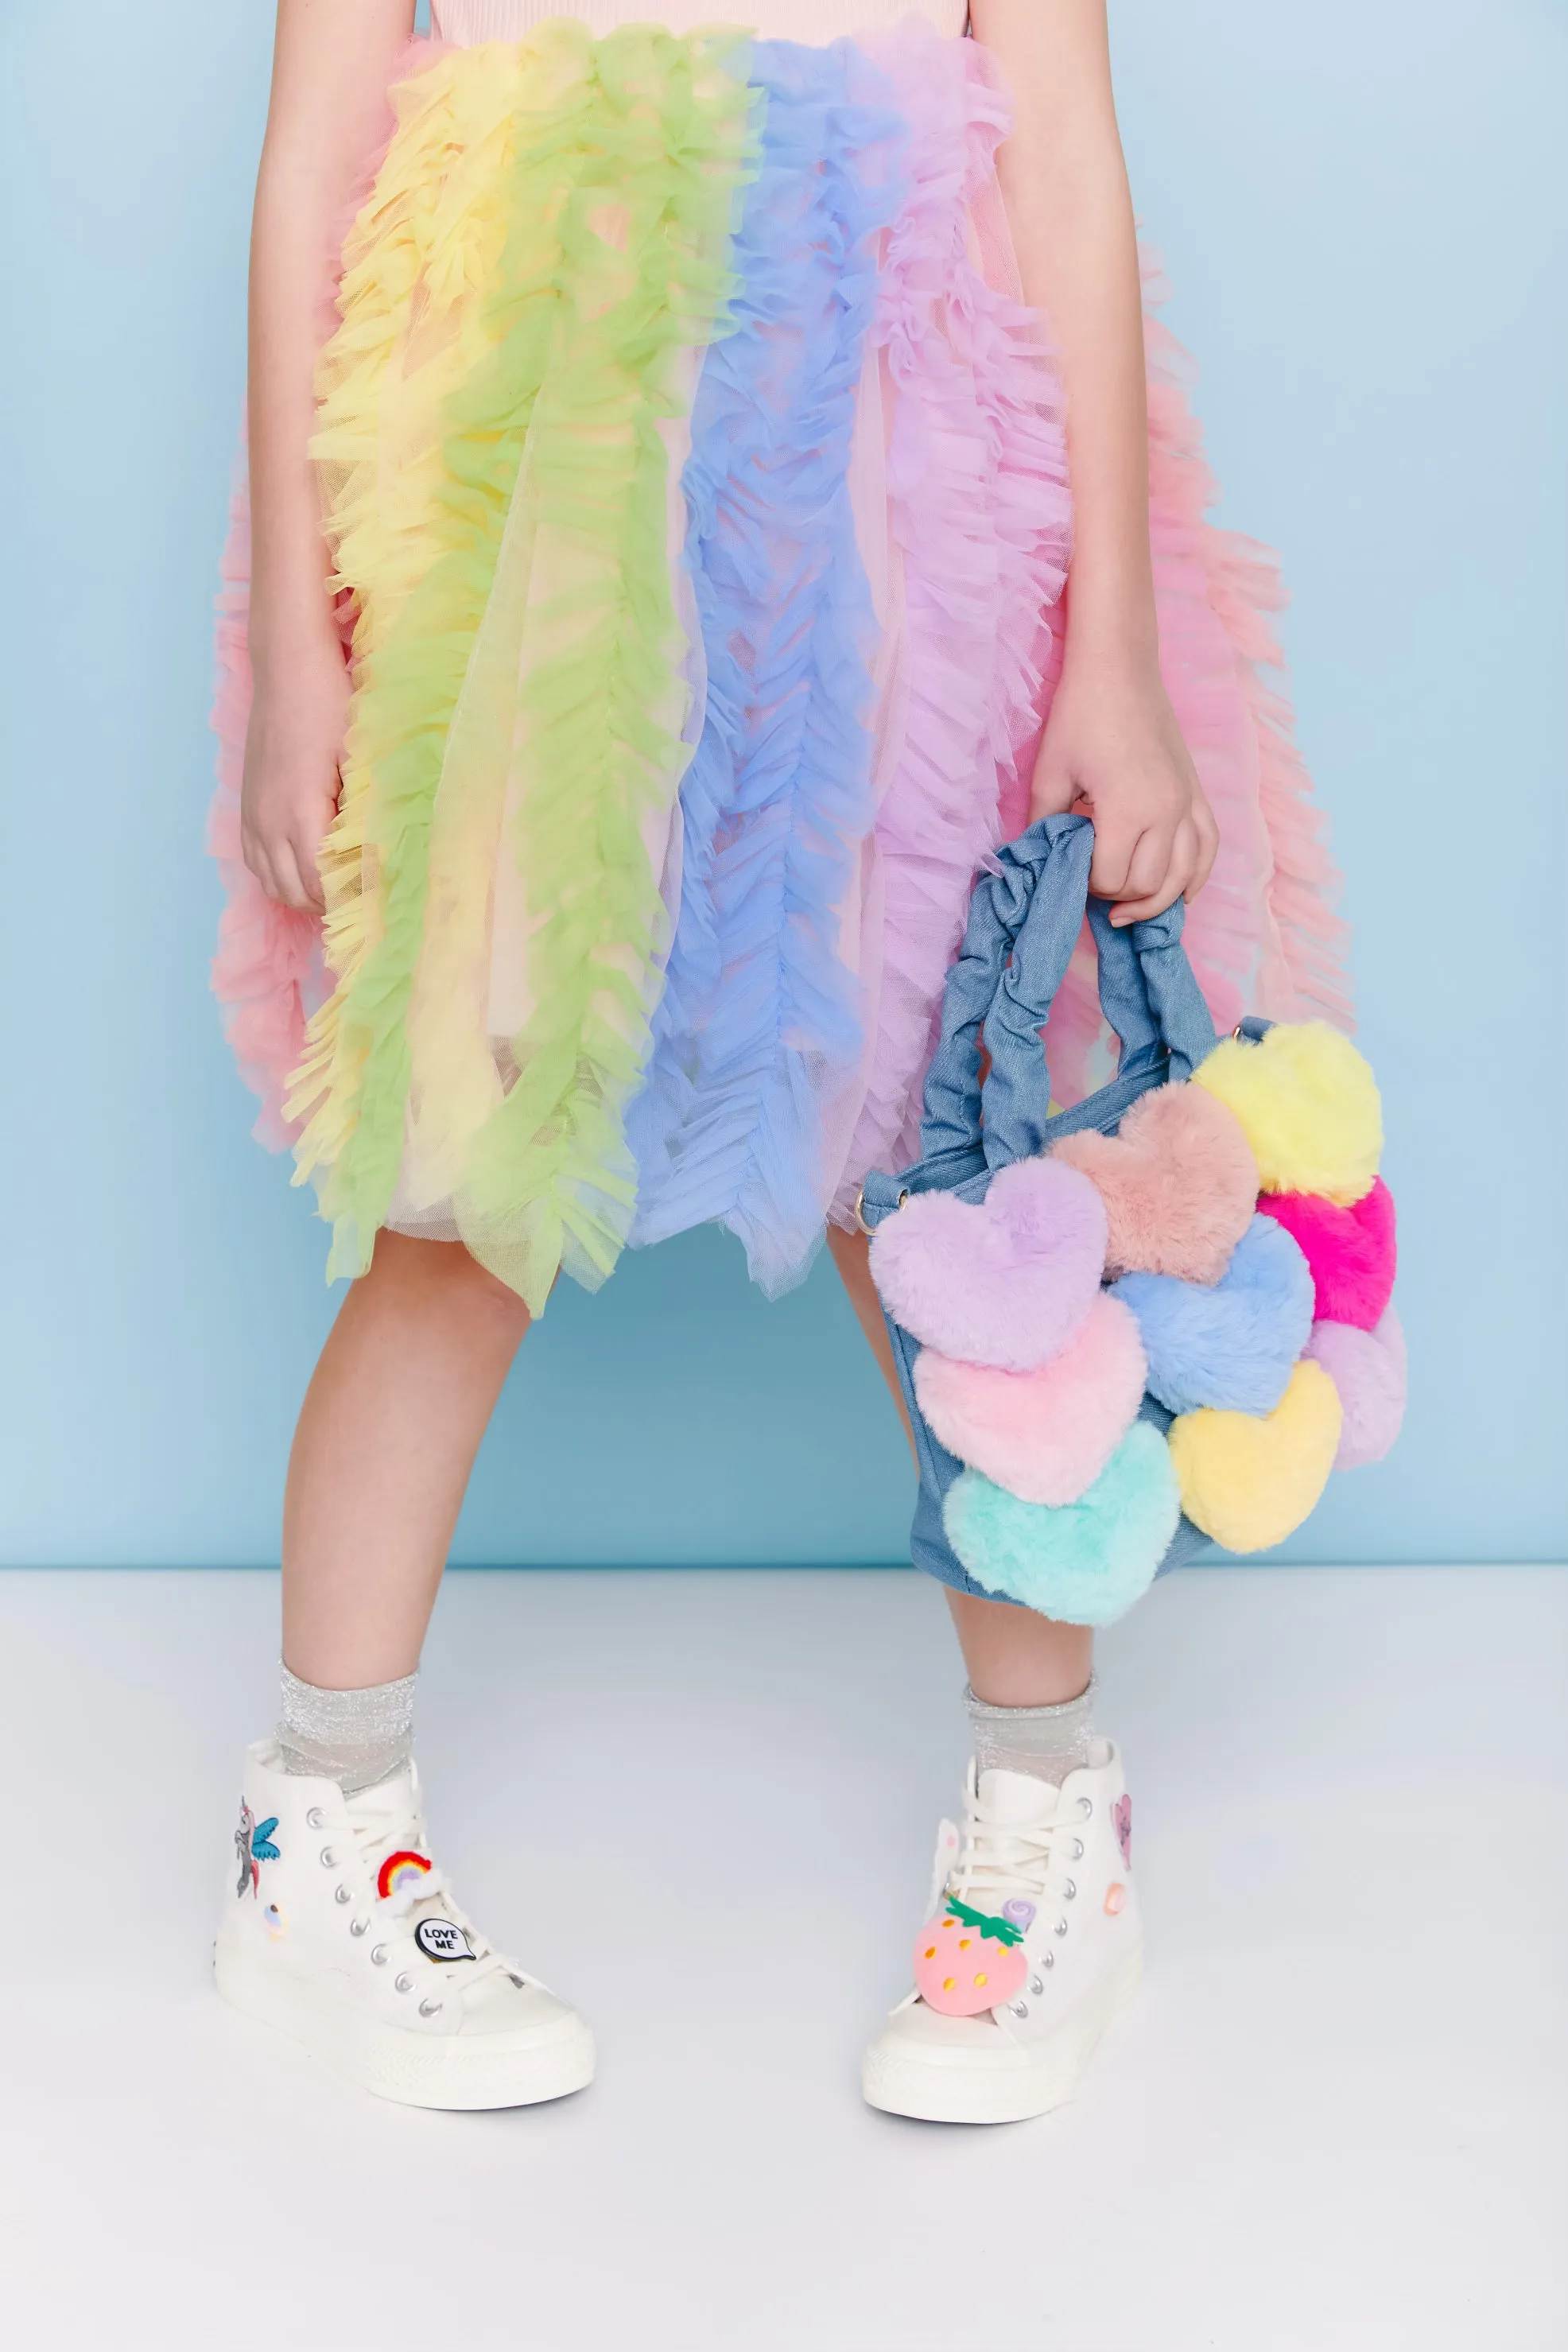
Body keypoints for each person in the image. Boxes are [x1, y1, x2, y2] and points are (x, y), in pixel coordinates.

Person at [209, 0, 1345, 2121]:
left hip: (893, 455)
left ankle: (1045, 1812)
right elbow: (313, 147)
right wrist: (296, 641)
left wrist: (1109, 644)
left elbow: (1069, 158)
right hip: (530, 457)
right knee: (465, 1161)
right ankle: (317, 1819)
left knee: (936, 1182)